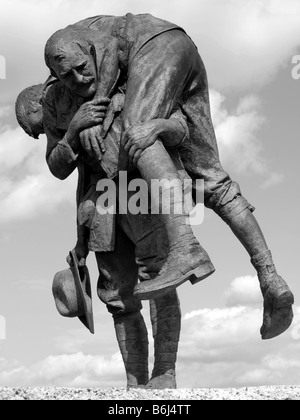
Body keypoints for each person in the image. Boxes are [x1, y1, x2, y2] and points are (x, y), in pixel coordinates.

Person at [44, 13, 294, 340]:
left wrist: (98, 113)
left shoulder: (77, 40)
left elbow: (110, 57)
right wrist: (78, 128)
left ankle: (186, 246)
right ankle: (270, 277)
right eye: (68, 75)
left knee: (137, 132)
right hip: (182, 51)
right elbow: (69, 169)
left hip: (156, 46)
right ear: (55, 77)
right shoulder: (65, 94)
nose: (78, 79)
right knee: (212, 181)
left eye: (81, 67)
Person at [16, 81, 193, 389]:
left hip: (138, 188)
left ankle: (165, 372)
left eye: (42, 128)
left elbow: (171, 125)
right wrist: (80, 240)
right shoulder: (66, 123)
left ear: (40, 105)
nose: (47, 134)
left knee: (158, 277)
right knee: (116, 296)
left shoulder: (106, 91)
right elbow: (66, 172)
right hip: (102, 203)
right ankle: (135, 382)